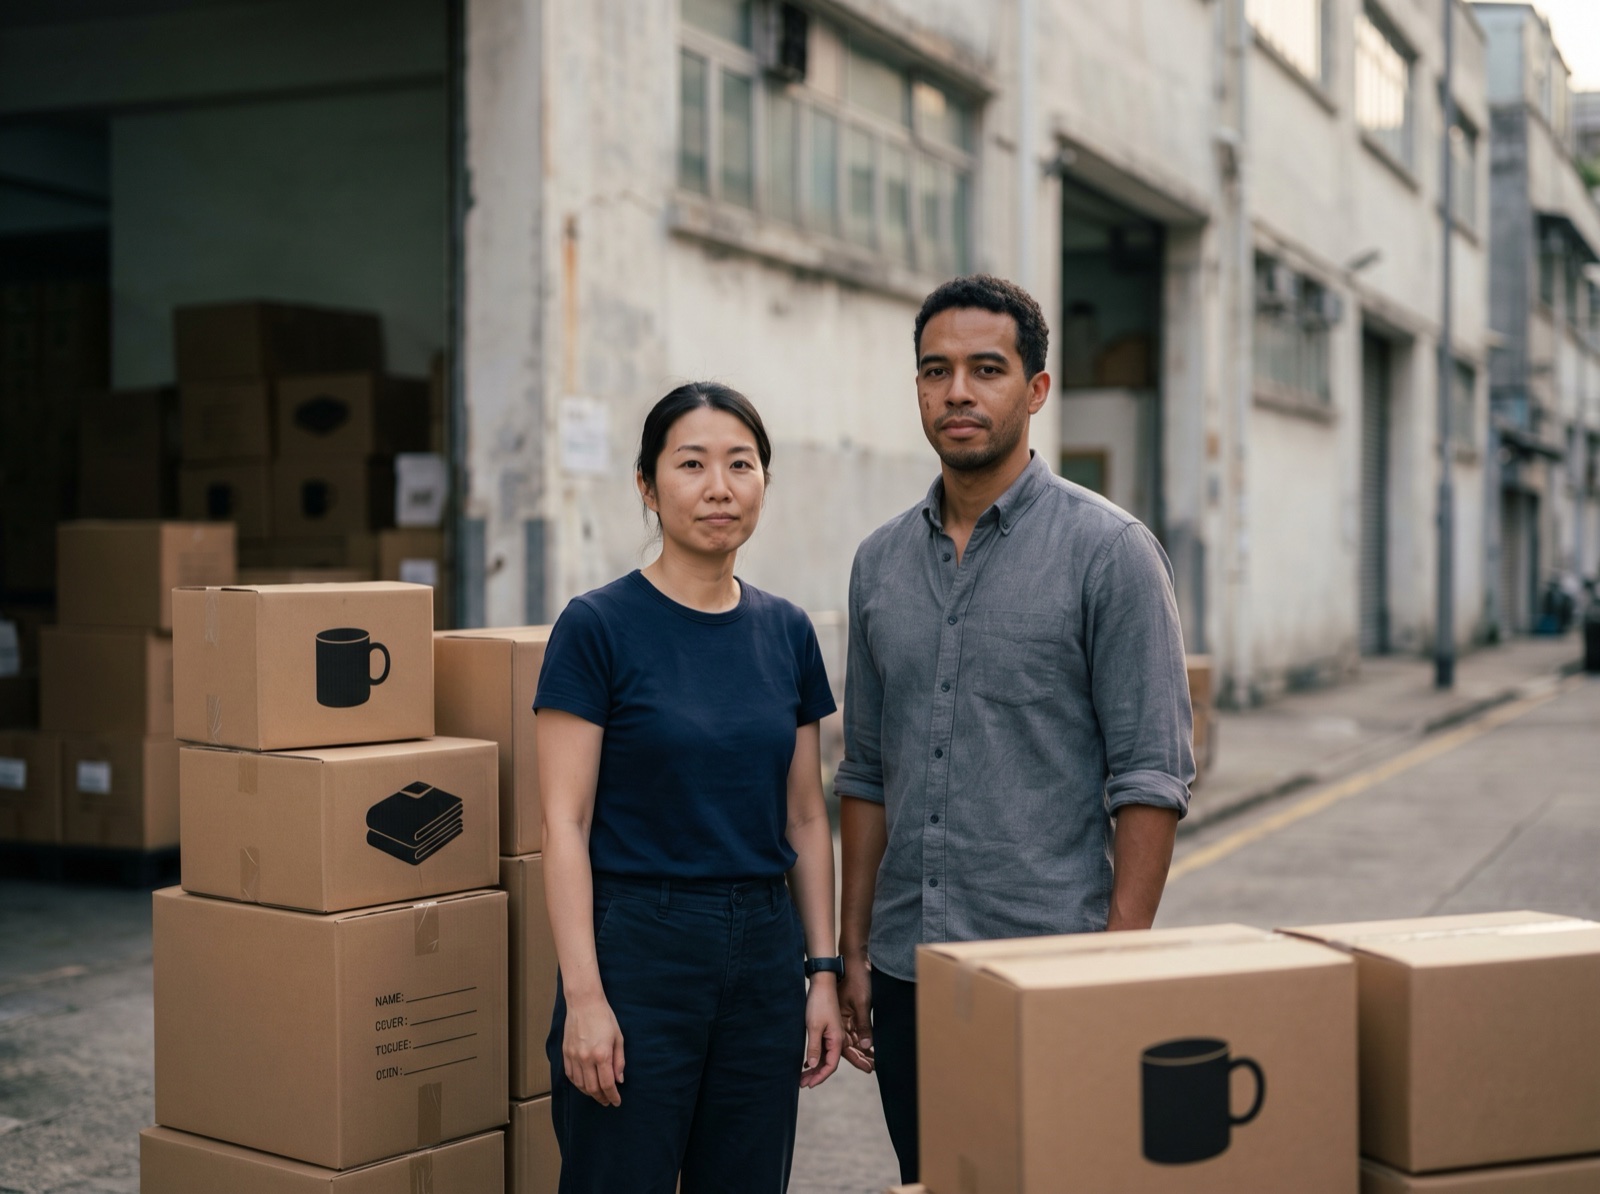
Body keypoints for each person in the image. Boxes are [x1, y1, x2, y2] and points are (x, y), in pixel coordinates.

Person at [834, 275, 1195, 1183]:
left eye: (986, 369)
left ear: (1035, 389)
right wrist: (852, 949)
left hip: (1050, 962)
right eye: (936, 370)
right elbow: (867, 773)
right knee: (930, 1177)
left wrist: (1117, 965)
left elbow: (1151, 776)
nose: (958, 391)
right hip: (909, 967)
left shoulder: (1109, 553)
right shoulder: (878, 564)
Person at [535, 382, 845, 1193]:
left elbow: (807, 817)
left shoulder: (787, 631)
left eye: (741, 464)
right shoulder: (597, 627)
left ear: (764, 484)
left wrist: (822, 973)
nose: (720, 487)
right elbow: (563, 824)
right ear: (647, 485)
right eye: (692, 464)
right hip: (640, 948)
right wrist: (586, 1000)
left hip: (763, 953)